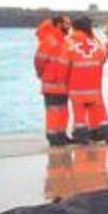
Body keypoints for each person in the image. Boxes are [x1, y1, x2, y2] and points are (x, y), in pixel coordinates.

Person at [63, 16, 108, 144]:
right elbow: (103, 59)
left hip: (76, 84)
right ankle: (106, 133)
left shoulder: (69, 42)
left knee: (79, 112)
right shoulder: (96, 42)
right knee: (99, 110)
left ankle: (82, 136)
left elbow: (63, 62)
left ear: (74, 28)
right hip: (94, 84)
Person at [34, 15, 72, 147]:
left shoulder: (63, 40)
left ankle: (61, 135)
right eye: (66, 24)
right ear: (58, 25)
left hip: (63, 84)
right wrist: (42, 74)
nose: (69, 26)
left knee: (63, 110)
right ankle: (53, 137)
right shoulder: (50, 40)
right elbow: (39, 60)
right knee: (53, 111)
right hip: (51, 83)